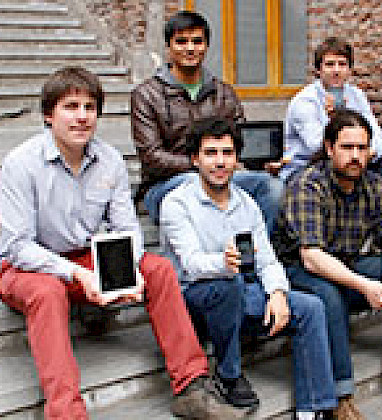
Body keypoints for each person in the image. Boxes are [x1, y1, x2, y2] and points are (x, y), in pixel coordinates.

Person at [0, 66, 242, 420]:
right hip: (29, 267)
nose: (82, 117)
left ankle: (191, 386)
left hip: (86, 258)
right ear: (49, 115)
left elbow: (127, 229)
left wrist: (128, 270)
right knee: (48, 293)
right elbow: (18, 246)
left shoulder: (109, 159)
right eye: (71, 107)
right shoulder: (21, 164)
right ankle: (66, 413)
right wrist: (77, 275)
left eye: (90, 107)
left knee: (158, 269)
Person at [159, 117, 338, 420]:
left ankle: (314, 410)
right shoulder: (176, 204)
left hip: (241, 294)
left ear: (236, 159)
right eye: (211, 153)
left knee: (310, 307)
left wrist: (278, 293)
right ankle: (229, 375)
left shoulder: (247, 204)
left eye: (227, 153)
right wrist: (223, 262)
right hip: (195, 302)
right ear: (195, 159)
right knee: (229, 284)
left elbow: (267, 260)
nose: (220, 162)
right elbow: (190, 264)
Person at [273, 109, 382, 418]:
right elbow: (311, 257)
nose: (355, 156)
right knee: (329, 295)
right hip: (299, 269)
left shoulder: (374, 184)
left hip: (347, 263)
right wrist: (364, 285)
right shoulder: (307, 184)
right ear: (329, 148)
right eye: (347, 147)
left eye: (362, 148)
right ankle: (339, 395)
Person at [131, 10, 282, 230]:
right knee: (196, 184)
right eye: (181, 42)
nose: (190, 48)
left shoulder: (224, 93)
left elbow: (241, 145)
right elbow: (151, 157)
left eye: (197, 41)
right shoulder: (146, 95)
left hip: (222, 176)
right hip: (166, 185)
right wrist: (203, 165)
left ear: (206, 46)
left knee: (272, 186)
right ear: (168, 47)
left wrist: (262, 163)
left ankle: (255, 247)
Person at [281, 37, 382, 223]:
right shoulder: (305, 101)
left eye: (342, 64)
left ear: (349, 70)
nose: (336, 71)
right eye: (330, 64)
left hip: (349, 158)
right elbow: (318, 146)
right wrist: (334, 118)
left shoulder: (356, 96)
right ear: (318, 70)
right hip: (307, 165)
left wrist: (367, 152)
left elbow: (378, 139)